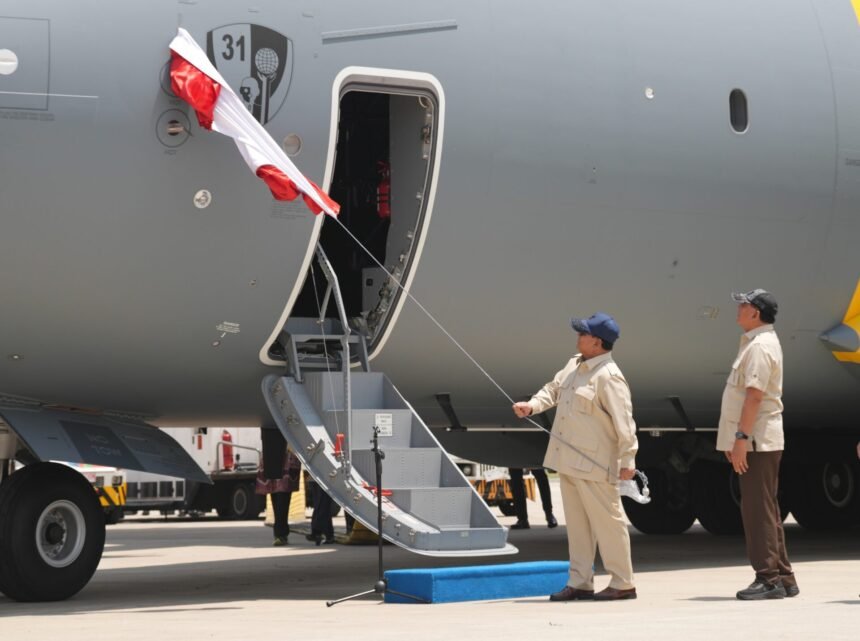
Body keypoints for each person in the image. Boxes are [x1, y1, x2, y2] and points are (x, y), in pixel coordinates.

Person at [513, 312, 638, 602]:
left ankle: (623, 583)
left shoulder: (609, 377)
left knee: (609, 524)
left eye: (583, 333)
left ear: (597, 342)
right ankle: (580, 582)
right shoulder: (574, 364)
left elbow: (625, 423)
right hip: (568, 460)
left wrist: (628, 460)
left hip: (596, 464)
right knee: (578, 527)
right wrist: (532, 406)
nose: (578, 337)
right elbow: (553, 389)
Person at [718, 289, 797, 600]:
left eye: (744, 305)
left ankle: (768, 579)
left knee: (756, 511)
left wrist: (740, 439)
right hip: (758, 439)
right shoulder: (756, 343)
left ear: (756, 312)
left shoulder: (760, 347)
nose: (738, 308)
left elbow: (754, 397)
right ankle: (784, 577)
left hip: (757, 441)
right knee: (766, 508)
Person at [257, 428, 302, 547]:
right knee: (278, 497)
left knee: (281, 497)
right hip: (274, 457)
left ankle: (280, 533)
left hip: (283, 457)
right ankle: (280, 533)